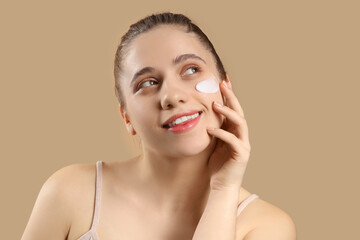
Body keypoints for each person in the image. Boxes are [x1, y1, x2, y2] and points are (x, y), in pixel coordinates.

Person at [22, 12, 297, 240]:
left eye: (191, 70)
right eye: (147, 83)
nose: (172, 96)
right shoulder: (70, 192)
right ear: (126, 118)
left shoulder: (268, 226)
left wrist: (223, 190)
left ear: (226, 86)